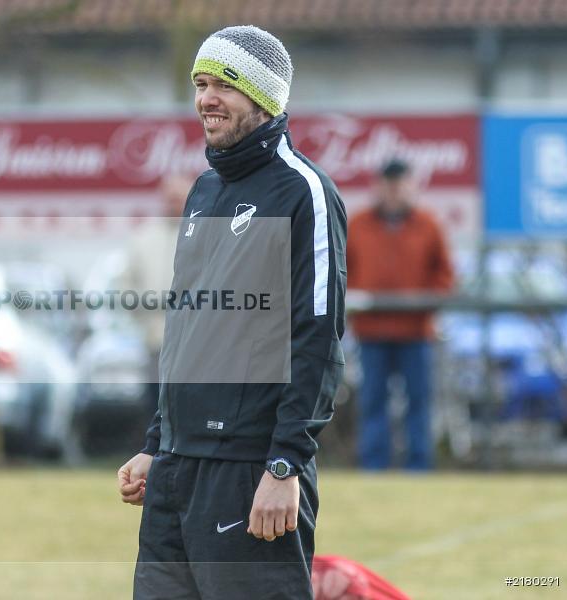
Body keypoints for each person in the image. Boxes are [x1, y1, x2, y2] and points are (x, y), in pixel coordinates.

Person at [117, 26, 347, 600]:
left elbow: (315, 337)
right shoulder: (203, 190)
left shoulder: (304, 192)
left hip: (251, 468)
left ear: (266, 96)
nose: (207, 99)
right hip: (177, 469)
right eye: (200, 84)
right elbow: (187, 327)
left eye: (225, 84)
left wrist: (284, 466)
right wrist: (159, 440)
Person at [346, 159, 454, 470]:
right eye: (388, 186)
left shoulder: (429, 224)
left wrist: (426, 301)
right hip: (371, 332)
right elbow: (344, 270)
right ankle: (373, 465)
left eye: (400, 186)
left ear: (412, 187)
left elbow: (445, 274)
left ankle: (419, 466)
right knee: (372, 402)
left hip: (416, 331)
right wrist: (357, 300)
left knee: (418, 402)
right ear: (377, 187)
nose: (394, 194)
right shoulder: (358, 224)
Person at [122, 174, 194, 418]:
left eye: (178, 199)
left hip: (196, 340)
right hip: (156, 340)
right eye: (169, 199)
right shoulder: (144, 238)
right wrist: (140, 312)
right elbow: (125, 284)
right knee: (157, 405)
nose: (173, 204)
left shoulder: (206, 234)